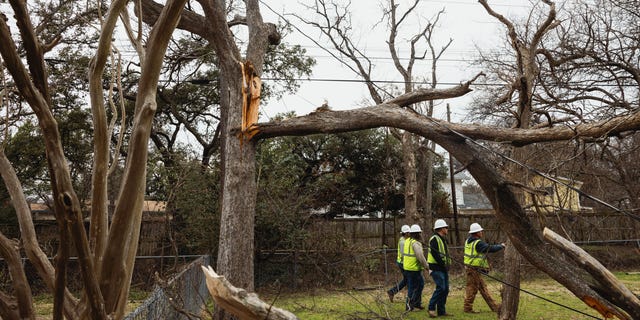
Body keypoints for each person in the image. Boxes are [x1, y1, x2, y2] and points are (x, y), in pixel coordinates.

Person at [463, 222, 506, 314]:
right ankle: (467, 308)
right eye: (480, 231)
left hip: (473, 269)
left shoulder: (468, 241)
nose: (482, 232)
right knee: (472, 289)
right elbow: (490, 248)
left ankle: (494, 307)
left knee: (483, 289)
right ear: (477, 232)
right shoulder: (477, 243)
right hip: (473, 269)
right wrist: (501, 246)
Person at [426, 219, 453, 317]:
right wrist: (443, 263)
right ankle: (431, 308)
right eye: (446, 227)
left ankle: (441, 311)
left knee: (445, 289)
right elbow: (435, 253)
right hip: (436, 268)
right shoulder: (434, 239)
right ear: (441, 229)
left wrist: (447, 264)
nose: (447, 229)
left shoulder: (443, 239)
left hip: (443, 268)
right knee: (441, 288)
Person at [402, 224, 429, 311]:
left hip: (408, 267)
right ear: (417, 234)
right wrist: (427, 266)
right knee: (413, 288)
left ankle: (416, 303)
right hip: (414, 269)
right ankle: (410, 306)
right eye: (420, 233)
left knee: (419, 285)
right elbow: (420, 257)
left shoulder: (407, 241)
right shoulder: (416, 244)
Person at [387, 225, 410, 302]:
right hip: (403, 263)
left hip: (402, 262)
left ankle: (392, 292)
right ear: (406, 233)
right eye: (408, 232)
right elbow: (404, 254)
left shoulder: (403, 240)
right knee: (409, 280)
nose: (410, 233)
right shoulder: (403, 242)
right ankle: (410, 299)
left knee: (406, 280)